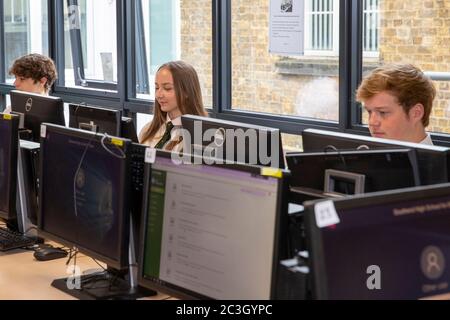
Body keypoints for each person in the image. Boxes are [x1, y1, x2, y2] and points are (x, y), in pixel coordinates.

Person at [356, 63, 436, 145]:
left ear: (416, 113)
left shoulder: (434, 158)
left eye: (383, 112)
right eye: (369, 112)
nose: (372, 122)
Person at [139, 60, 208, 152]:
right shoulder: (147, 130)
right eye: (157, 88)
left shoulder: (200, 138)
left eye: (167, 88)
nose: (159, 95)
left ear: (187, 92)